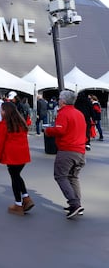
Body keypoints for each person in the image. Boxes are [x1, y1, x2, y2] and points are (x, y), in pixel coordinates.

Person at [44, 90, 87, 219]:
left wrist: (48, 131)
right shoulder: (79, 113)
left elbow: (60, 129)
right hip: (80, 150)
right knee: (73, 177)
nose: (58, 101)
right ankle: (77, 203)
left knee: (60, 176)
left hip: (67, 150)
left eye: (59, 99)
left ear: (62, 101)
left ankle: (74, 203)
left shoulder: (64, 113)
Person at [0, 102, 34, 216]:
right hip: (23, 155)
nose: (0, 112)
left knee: (14, 178)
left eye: (1, 110)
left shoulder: (4, 125)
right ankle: (26, 198)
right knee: (17, 176)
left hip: (12, 156)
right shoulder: (21, 123)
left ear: (6, 112)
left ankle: (18, 204)